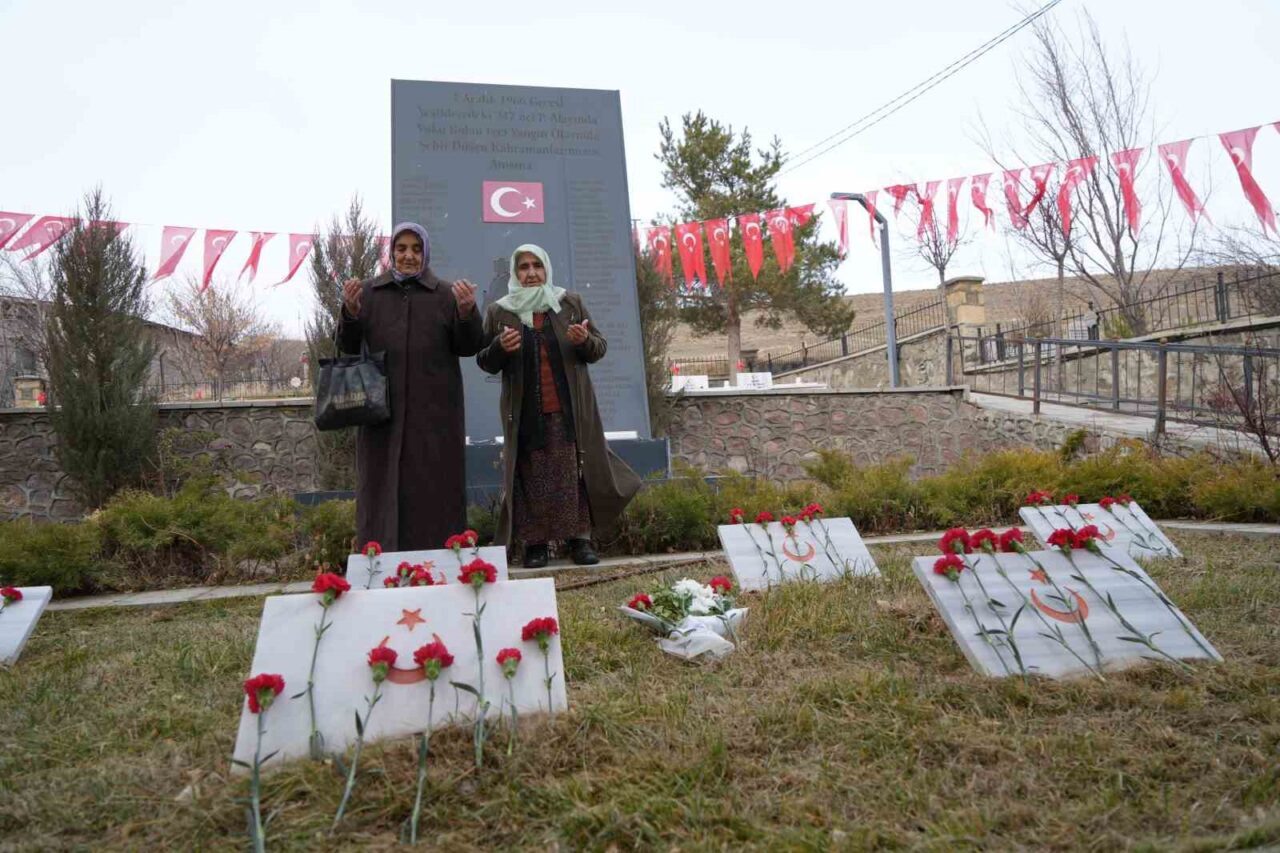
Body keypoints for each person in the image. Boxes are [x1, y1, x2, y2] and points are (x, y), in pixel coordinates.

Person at [477, 244, 640, 568]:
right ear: (515, 273)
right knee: (531, 477)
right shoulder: (500, 311)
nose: (531, 272)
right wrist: (499, 348)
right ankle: (536, 545)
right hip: (524, 412)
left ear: (547, 268)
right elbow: (485, 362)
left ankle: (579, 541)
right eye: (523, 267)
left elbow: (598, 348)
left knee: (572, 475)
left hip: (569, 409)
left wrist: (584, 341)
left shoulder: (569, 303)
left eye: (537, 265)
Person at [337, 222, 483, 552]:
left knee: (434, 488)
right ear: (391, 253)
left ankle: (441, 559)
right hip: (381, 414)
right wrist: (350, 312)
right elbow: (347, 346)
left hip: (435, 415)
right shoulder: (370, 293)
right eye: (401, 248)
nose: (408, 255)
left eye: (416, 249)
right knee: (381, 486)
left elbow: (469, 345)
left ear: (426, 253)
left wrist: (466, 312)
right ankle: (382, 561)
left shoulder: (445, 294)